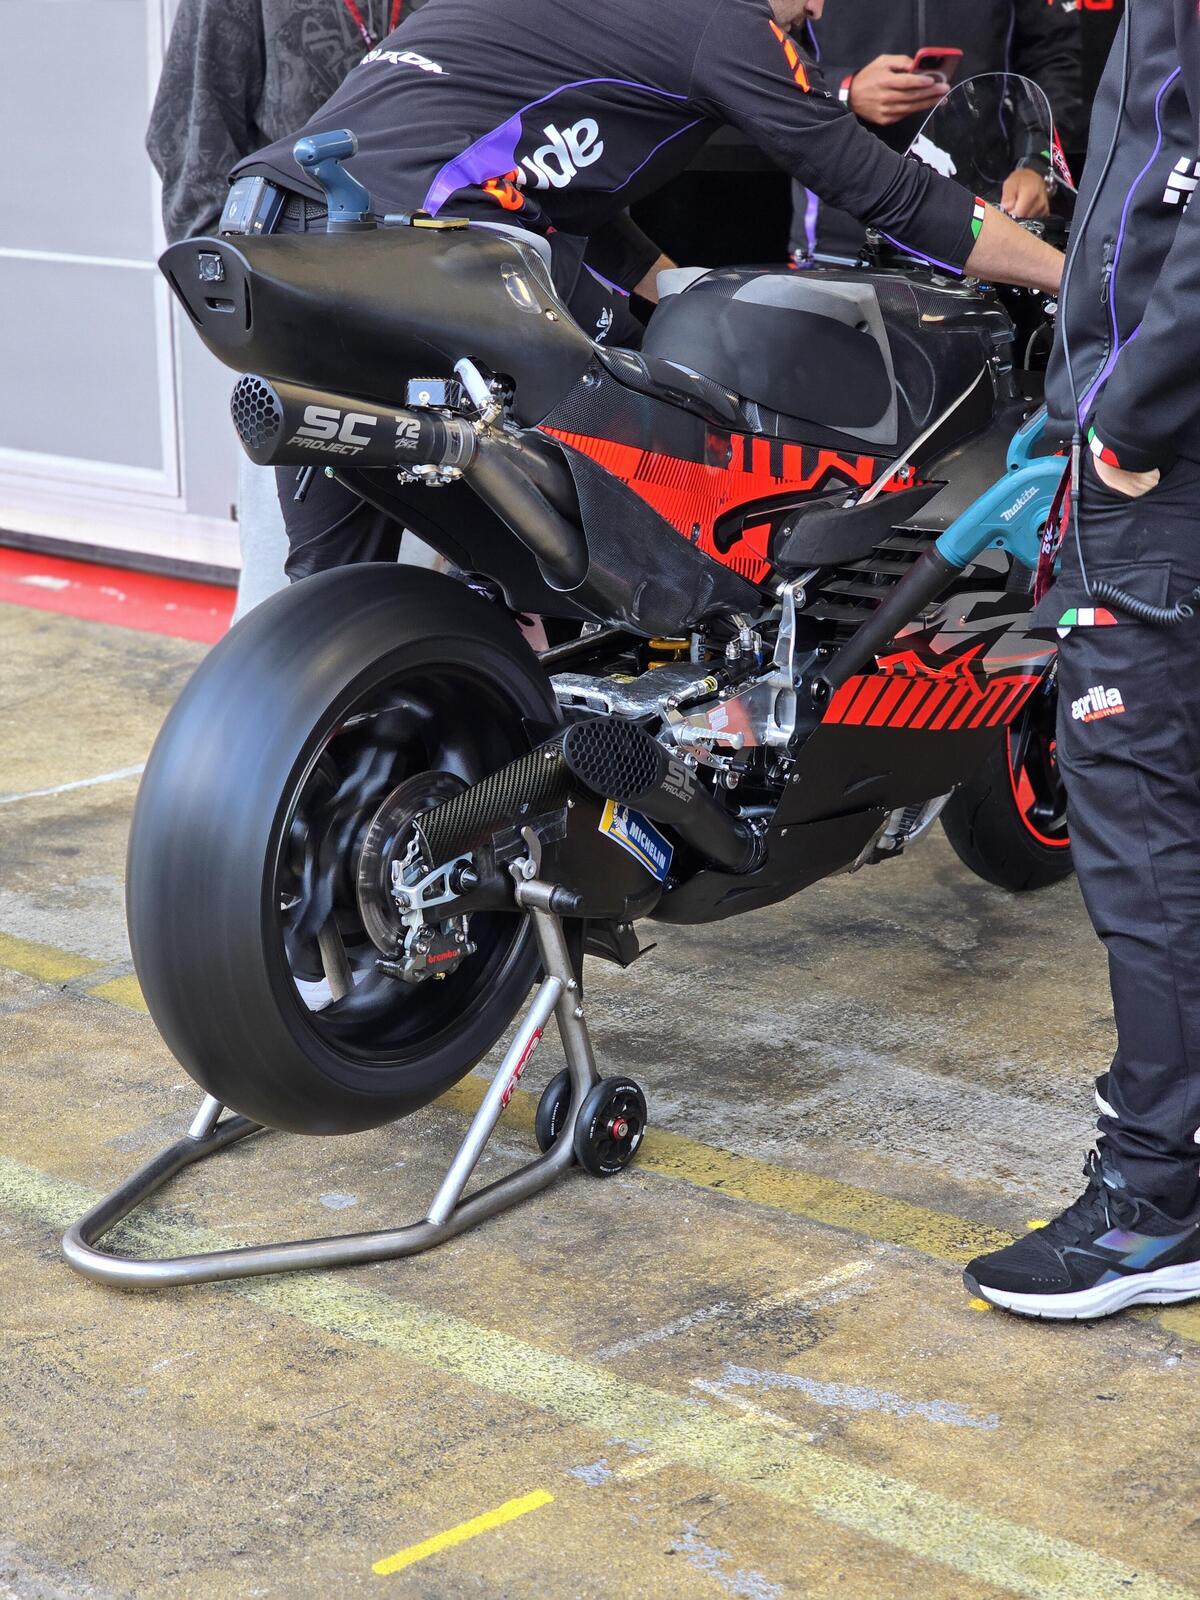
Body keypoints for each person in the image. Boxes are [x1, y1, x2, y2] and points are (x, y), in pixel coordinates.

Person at [964, 0, 1200, 1320]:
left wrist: (1123, 424)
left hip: (1164, 469)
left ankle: (1156, 1201)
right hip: (1149, 449)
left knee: (1142, 828)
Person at [146, 0, 430, 617]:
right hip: (299, 352)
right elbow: (191, 154)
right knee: (295, 614)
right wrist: (260, 330)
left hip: (437, 339)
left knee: (424, 611)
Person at [792, 0, 1082, 262]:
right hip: (841, 227)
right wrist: (844, 89)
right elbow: (770, 44)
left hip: (983, 215)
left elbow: (1052, 56)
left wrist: (1037, 163)